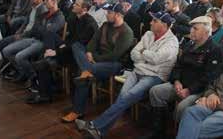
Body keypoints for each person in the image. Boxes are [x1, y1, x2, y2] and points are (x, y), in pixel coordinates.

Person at [75, 11, 179, 139]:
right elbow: (134, 54)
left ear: (164, 25)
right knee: (122, 98)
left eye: (155, 21)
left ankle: (94, 125)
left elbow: (156, 58)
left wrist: (143, 53)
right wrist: (146, 56)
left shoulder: (172, 42)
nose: (150, 22)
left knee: (126, 97)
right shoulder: (148, 34)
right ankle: (98, 131)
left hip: (154, 76)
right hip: (137, 72)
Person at [142, 16, 223, 139]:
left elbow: (209, 77)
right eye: (191, 28)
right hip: (181, 85)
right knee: (156, 91)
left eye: (195, 29)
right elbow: (177, 66)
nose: (191, 31)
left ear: (206, 32)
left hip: (199, 91)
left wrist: (189, 90)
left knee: (182, 108)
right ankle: (159, 131)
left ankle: (183, 134)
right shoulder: (189, 45)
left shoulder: (214, 49)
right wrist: (176, 80)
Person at [61, 3, 134, 121]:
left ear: (118, 15)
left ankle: (77, 111)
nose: (106, 14)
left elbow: (115, 55)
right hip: (96, 58)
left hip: (115, 64)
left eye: (109, 12)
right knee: (77, 46)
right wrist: (89, 52)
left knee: (83, 73)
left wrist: (94, 58)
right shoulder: (105, 25)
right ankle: (86, 69)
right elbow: (93, 41)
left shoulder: (126, 32)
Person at [27, 0, 98, 104]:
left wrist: (57, 51)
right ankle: (49, 58)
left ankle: (44, 95)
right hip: (69, 48)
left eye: (77, 5)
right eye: (75, 3)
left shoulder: (90, 24)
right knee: (49, 34)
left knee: (40, 64)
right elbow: (70, 39)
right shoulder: (74, 17)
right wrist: (60, 46)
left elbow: (78, 45)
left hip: (79, 55)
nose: (73, 5)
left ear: (84, 9)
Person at [176, 36, 223, 139]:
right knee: (189, 112)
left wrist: (213, 102)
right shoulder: (222, 68)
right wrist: (211, 94)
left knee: (197, 128)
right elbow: (210, 86)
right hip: (212, 106)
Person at [2, 0, 65, 85]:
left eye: (46, 0)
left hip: (44, 43)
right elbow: (35, 29)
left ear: (54, 1)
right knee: (6, 51)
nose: (44, 2)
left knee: (19, 57)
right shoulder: (44, 14)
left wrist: (40, 29)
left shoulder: (59, 17)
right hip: (34, 38)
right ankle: (24, 72)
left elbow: (48, 33)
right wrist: (36, 31)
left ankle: (34, 78)